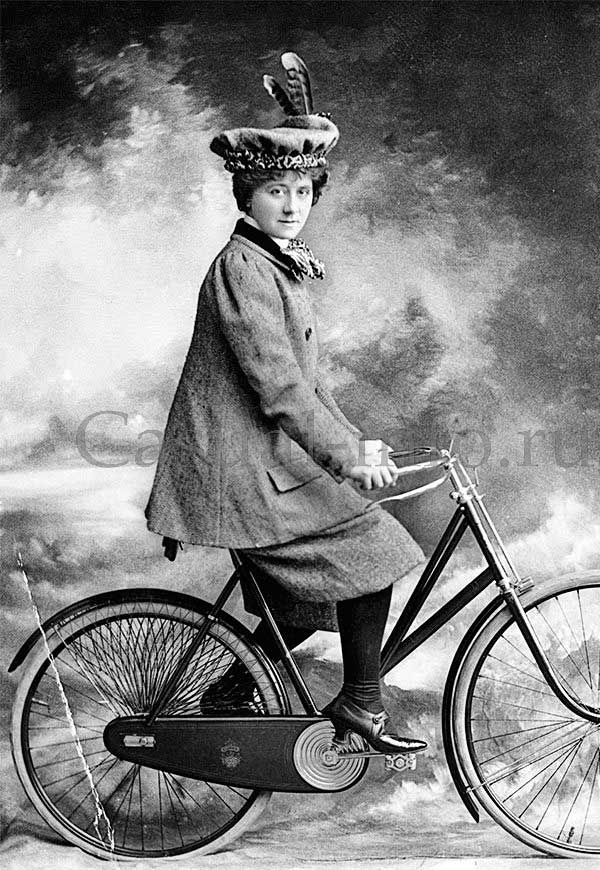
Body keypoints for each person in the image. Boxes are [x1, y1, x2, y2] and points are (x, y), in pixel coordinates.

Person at [144, 53, 427, 754]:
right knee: (376, 551)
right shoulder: (243, 269)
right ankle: (361, 702)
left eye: (302, 190)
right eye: (276, 190)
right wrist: (344, 456)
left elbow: (309, 384)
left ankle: (232, 690)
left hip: (265, 464)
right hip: (238, 473)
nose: (293, 204)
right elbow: (280, 389)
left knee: (309, 593)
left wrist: (356, 445)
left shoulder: (276, 264)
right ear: (248, 196)